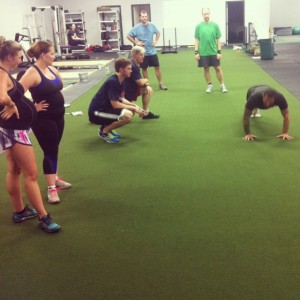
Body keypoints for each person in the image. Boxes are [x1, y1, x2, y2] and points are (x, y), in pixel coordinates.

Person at [0, 37, 60, 233]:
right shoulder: (1, 73)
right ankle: (44, 216)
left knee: (14, 169)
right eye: (18, 57)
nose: (20, 60)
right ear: (9, 56)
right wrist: (9, 104)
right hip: (15, 129)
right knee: (31, 174)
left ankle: (19, 211)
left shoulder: (4, 72)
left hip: (9, 127)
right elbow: (2, 96)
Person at [19, 41, 71, 204]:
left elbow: (58, 86)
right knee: (50, 150)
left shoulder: (52, 69)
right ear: (43, 55)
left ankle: (54, 177)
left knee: (54, 149)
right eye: (52, 54)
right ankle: (51, 190)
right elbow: (15, 94)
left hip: (59, 116)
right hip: (43, 119)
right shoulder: (31, 73)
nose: (54, 57)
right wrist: (33, 107)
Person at [88, 57, 145, 143]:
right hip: (96, 113)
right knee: (127, 115)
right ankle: (104, 131)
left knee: (131, 110)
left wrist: (135, 106)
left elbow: (121, 99)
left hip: (105, 109)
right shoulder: (113, 82)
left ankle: (106, 128)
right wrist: (134, 109)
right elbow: (116, 105)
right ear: (121, 69)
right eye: (128, 69)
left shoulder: (121, 80)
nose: (131, 71)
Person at [127, 10, 168, 91]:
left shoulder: (152, 25)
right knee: (144, 68)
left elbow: (158, 33)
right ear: (140, 18)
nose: (144, 18)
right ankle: (147, 84)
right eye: (142, 16)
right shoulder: (137, 27)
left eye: (145, 16)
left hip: (152, 51)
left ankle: (161, 84)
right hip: (142, 52)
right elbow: (128, 36)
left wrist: (156, 40)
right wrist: (136, 42)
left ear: (147, 17)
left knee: (157, 67)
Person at [194, 8, 228, 93]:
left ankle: (222, 85)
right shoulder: (198, 26)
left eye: (207, 14)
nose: (206, 15)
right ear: (202, 15)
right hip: (203, 52)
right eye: (204, 14)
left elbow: (219, 39)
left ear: (210, 14)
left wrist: (219, 52)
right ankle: (209, 85)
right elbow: (197, 40)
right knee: (206, 69)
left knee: (217, 68)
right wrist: (196, 52)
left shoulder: (215, 25)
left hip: (213, 51)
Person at [124, 46, 159, 120]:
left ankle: (145, 113)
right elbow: (140, 82)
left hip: (128, 90)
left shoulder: (132, 63)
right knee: (129, 115)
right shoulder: (133, 66)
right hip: (124, 94)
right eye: (141, 55)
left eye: (143, 55)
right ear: (134, 55)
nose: (143, 57)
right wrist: (146, 80)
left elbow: (139, 81)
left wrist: (146, 84)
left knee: (147, 89)